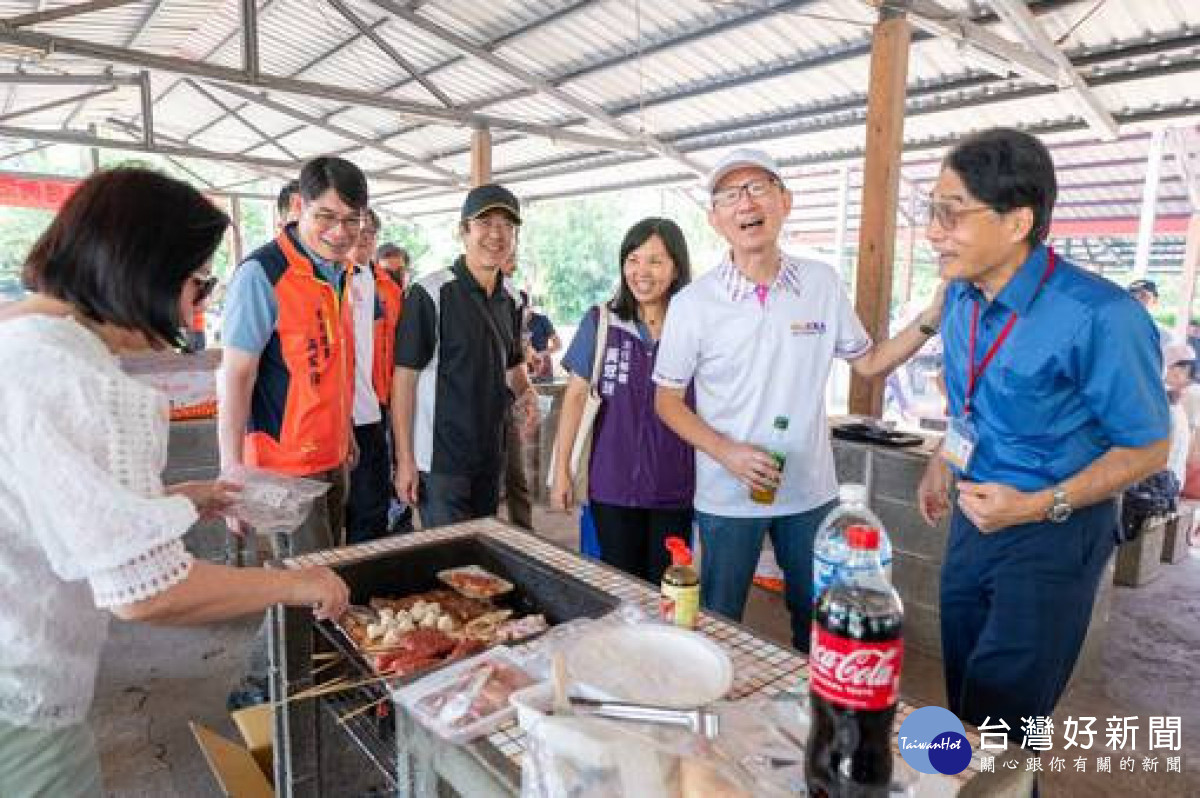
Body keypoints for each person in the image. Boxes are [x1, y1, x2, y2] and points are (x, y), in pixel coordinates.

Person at [0, 167, 349, 797]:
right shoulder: (79, 378)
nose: (202, 304)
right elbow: (146, 592)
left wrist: (175, 501)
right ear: (141, 269)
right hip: (20, 706)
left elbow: (47, 508)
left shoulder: (25, 341)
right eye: (198, 281)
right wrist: (295, 584)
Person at [915, 128, 1169, 740]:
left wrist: (1037, 503)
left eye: (951, 213)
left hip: (1055, 530)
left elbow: (1149, 446)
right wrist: (945, 460)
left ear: (1017, 221)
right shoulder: (962, 298)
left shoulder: (1102, 316)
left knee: (1004, 719)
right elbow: (970, 400)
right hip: (977, 518)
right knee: (967, 703)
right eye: (931, 211)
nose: (932, 231)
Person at [653, 148, 945, 650]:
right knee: (721, 618)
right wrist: (728, 452)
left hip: (811, 489)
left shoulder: (820, 283)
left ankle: (815, 717)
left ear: (785, 201)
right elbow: (668, 401)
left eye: (758, 188)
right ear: (716, 219)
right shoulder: (693, 303)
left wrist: (932, 317)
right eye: (730, 195)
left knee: (817, 618)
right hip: (727, 494)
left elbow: (869, 362)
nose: (746, 203)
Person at [220, 156, 366, 709]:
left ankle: (307, 676)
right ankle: (261, 690)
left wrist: (347, 429)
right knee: (305, 584)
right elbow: (236, 375)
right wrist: (231, 474)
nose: (339, 232)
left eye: (351, 221)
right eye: (327, 216)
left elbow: (330, 364)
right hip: (283, 468)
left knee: (320, 576)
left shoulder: (340, 272)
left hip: (331, 454)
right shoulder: (263, 273)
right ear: (299, 207)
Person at [552, 218, 696, 583]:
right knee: (621, 590)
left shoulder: (695, 326)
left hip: (675, 487)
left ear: (676, 267)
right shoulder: (602, 321)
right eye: (632, 259)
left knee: (668, 591)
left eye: (655, 261)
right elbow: (574, 397)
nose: (641, 271)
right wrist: (561, 473)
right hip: (612, 485)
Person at [392, 184, 539, 528]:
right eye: (485, 223)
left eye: (507, 225)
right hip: (441, 462)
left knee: (480, 564)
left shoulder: (512, 298)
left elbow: (513, 363)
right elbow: (404, 381)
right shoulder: (430, 294)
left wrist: (526, 390)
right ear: (463, 231)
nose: (496, 234)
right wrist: (405, 459)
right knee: (448, 563)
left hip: (490, 456)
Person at [344, 210, 395, 543]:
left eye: (370, 231)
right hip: (336, 414)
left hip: (375, 406)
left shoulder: (387, 286)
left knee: (372, 505)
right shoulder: (333, 278)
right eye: (357, 228)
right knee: (335, 512)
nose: (364, 236)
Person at [498, 254, 534, 530]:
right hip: (462, 412)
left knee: (516, 476)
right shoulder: (448, 292)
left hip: (504, 403)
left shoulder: (516, 299)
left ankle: (524, 533)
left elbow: (516, 357)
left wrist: (527, 395)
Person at [527, 305, 561, 382]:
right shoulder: (515, 321)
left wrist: (540, 354)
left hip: (543, 366)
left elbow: (558, 345)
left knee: (545, 391)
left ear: (529, 307)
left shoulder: (542, 320)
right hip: (525, 367)